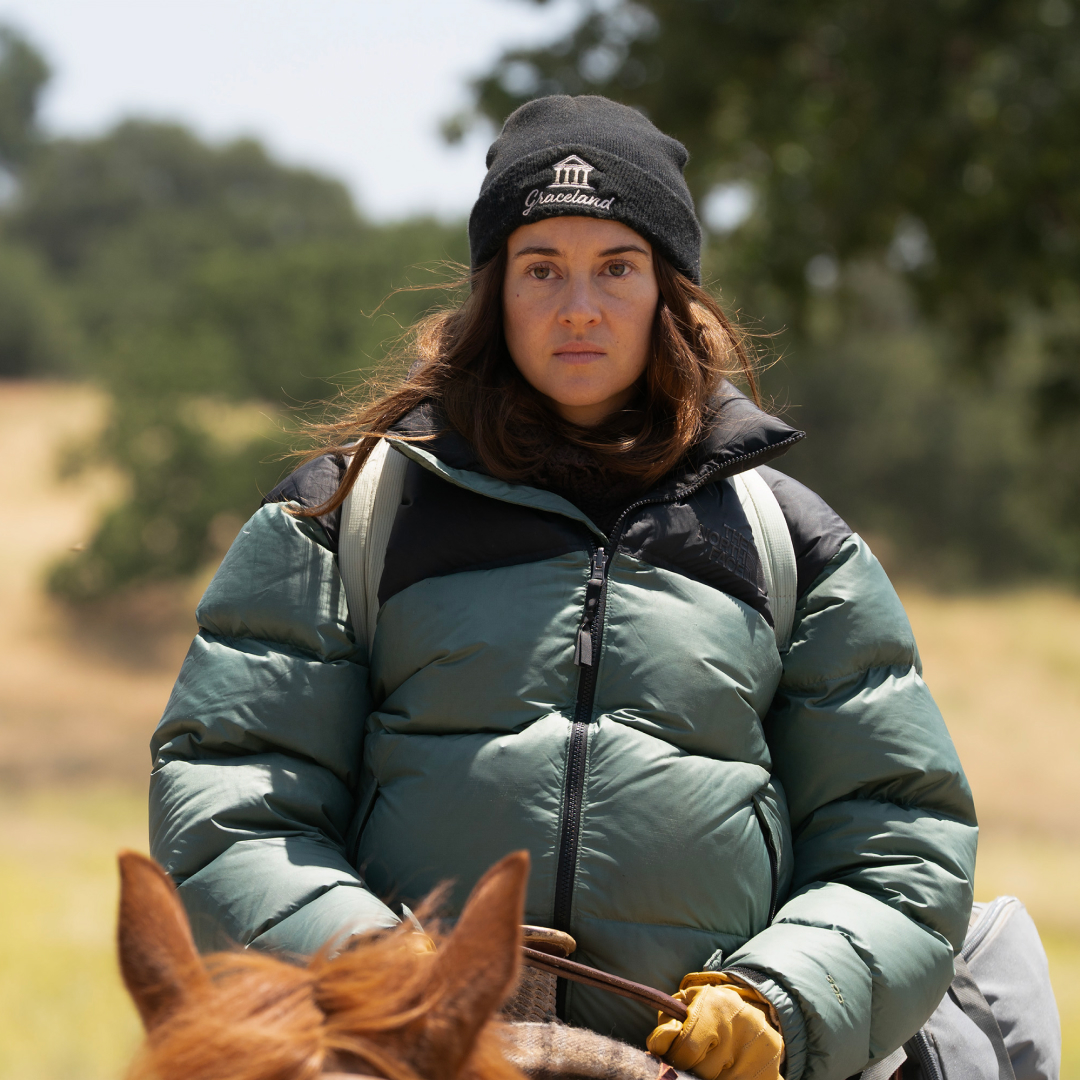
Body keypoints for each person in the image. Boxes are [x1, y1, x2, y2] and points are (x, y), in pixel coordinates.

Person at [149, 95, 977, 1080]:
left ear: (668, 292)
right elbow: (233, 795)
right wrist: (378, 973)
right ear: (494, 291)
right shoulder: (341, 516)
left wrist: (780, 1000)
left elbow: (900, 841)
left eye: (617, 267)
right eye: (541, 268)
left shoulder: (793, 544)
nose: (579, 307)